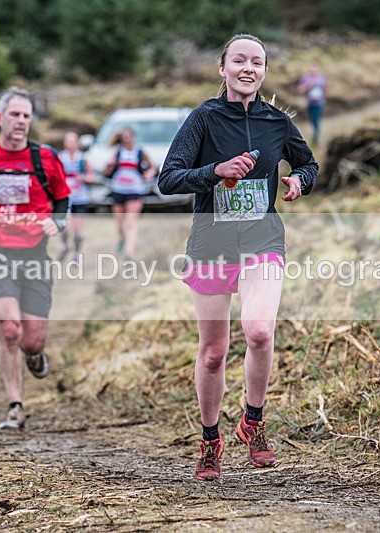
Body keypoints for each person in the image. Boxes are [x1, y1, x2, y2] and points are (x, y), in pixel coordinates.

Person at [159, 33, 318, 481]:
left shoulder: (276, 122)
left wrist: (299, 181)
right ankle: (211, 439)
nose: (249, 68)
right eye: (240, 61)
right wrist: (215, 172)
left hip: (263, 240)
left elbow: (308, 164)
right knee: (213, 352)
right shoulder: (204, 119)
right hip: (210, 245)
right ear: (223, 68)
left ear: (264, 71)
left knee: (260, 332)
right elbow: (168, 179)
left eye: (258, 62)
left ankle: (253, 420)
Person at [0, 87, 70, 431]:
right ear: (0, 118)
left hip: (35, 256)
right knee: (9, 330)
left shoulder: (45, 158)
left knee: (32, 339)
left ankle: (34, 354)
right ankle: (15, 407)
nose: (21, 121)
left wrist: (57, 221)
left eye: (26, 116)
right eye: (15, 115)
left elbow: (63, 200)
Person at [102, 127, 156, 260]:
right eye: (124, 136)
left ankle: (129, 253)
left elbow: (153, 167)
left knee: (130, 222)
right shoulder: (117, 153)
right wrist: (108, 167)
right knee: (119, 224)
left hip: (135, 190)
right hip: (118, 190)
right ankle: (122, 238)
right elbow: (107, 172)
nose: (126, 139)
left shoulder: (140, 152)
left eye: (128, 136)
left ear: (133, 137)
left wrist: (149, 174)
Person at [57, 130, 94, 261]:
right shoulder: (60, 157)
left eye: (73, 141)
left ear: (77, 143)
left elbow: (92, 177)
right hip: (66, 197)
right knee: (65, 226)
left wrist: (82, 177)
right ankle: (65, 246)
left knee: (78, 229)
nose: (70, 144)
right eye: (68, 141)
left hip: (80, 197)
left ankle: (76, 253)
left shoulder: (82, 158)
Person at [297, 63, 327, 145]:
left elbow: (325, 89)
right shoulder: (306, 78)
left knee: (316, 120)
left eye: (315, 71)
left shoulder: (321, 79)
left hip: (319, 103)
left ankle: (315, 139)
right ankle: (314, 137)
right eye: (311, 71)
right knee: (312, 120)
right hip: (309, 103)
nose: (313, 73)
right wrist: (307, 86)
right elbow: (300, 89)